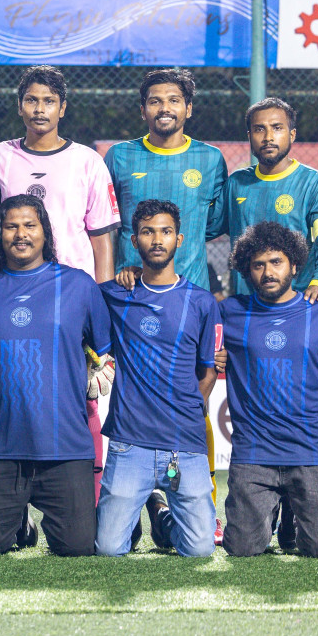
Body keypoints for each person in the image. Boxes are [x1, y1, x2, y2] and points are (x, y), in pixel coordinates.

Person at [0, 195, 113, 557]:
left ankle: (27, 515)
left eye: (30, 225)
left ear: (45, 232)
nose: (21, 234)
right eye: (11, 226)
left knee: (77, 550)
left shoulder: (78, 285)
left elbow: (103, 349)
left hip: (63, 447)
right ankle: (18, 519)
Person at [220, 221, 318, 558]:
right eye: (258, 264)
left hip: (311, 454)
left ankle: (293, 510)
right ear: (247, 270)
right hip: (254, 456)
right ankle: (278, 504)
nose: (268, 272)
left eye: (276, 262)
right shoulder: (231, 312)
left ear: (294, 265)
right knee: (241, 550)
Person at [95, 201, 220, 558]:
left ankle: (162, 517)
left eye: (165, 231)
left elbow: (209, 371)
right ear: (134, 241)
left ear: (179, 239)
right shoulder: (115, 295)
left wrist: (188, 412)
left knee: (199, 551)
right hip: (128, 442)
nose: (157, 239)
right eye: (148, 232)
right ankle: (135, 506)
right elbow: (74, 293)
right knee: (107, 550)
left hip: (185, 444)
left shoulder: (202, 302)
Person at [0, 66, 118, 282]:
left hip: (72, 282)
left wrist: (105, 293)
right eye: (31, 100)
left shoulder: (88, 161)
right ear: (20, 107)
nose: (40, 109)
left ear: (62, 109)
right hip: (15, 279)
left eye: (49, 101)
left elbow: (101, 237)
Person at [103, 69, 228, 290]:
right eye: (155, 102)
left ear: (188, 109)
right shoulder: (119, 156)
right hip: (130, 287)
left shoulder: (211, 159)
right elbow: (104, 225)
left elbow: (212, 225)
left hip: (191, 288)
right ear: (143, 110)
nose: (165, 109)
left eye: (174, 100)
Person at [223, 98, 318, 303]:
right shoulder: (235, 183)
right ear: (250, 137)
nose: (268, 137)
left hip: (297, 303)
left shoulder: (315, 183)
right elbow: (207, 228)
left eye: (277, 128)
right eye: (260, 129)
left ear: (292, 134)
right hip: (246, 305)